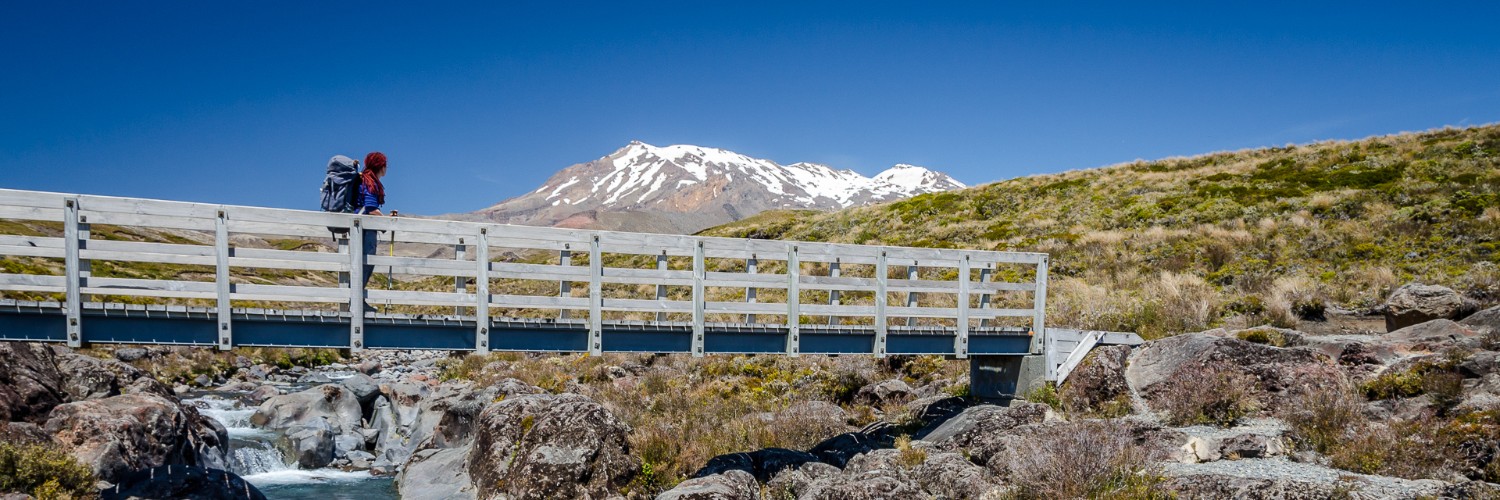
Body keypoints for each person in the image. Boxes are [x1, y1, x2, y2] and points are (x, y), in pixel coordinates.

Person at [357, 152, 397, 311]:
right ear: (381, 166)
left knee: (362, 263)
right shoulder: (370, 182)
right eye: (385, 165)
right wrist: (385, 222)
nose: (386, 168)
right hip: (365, 230)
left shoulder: (365, 179)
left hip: (359, 228)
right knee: (367, 261)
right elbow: (371, 208)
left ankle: (355, 300)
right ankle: (357, 302)